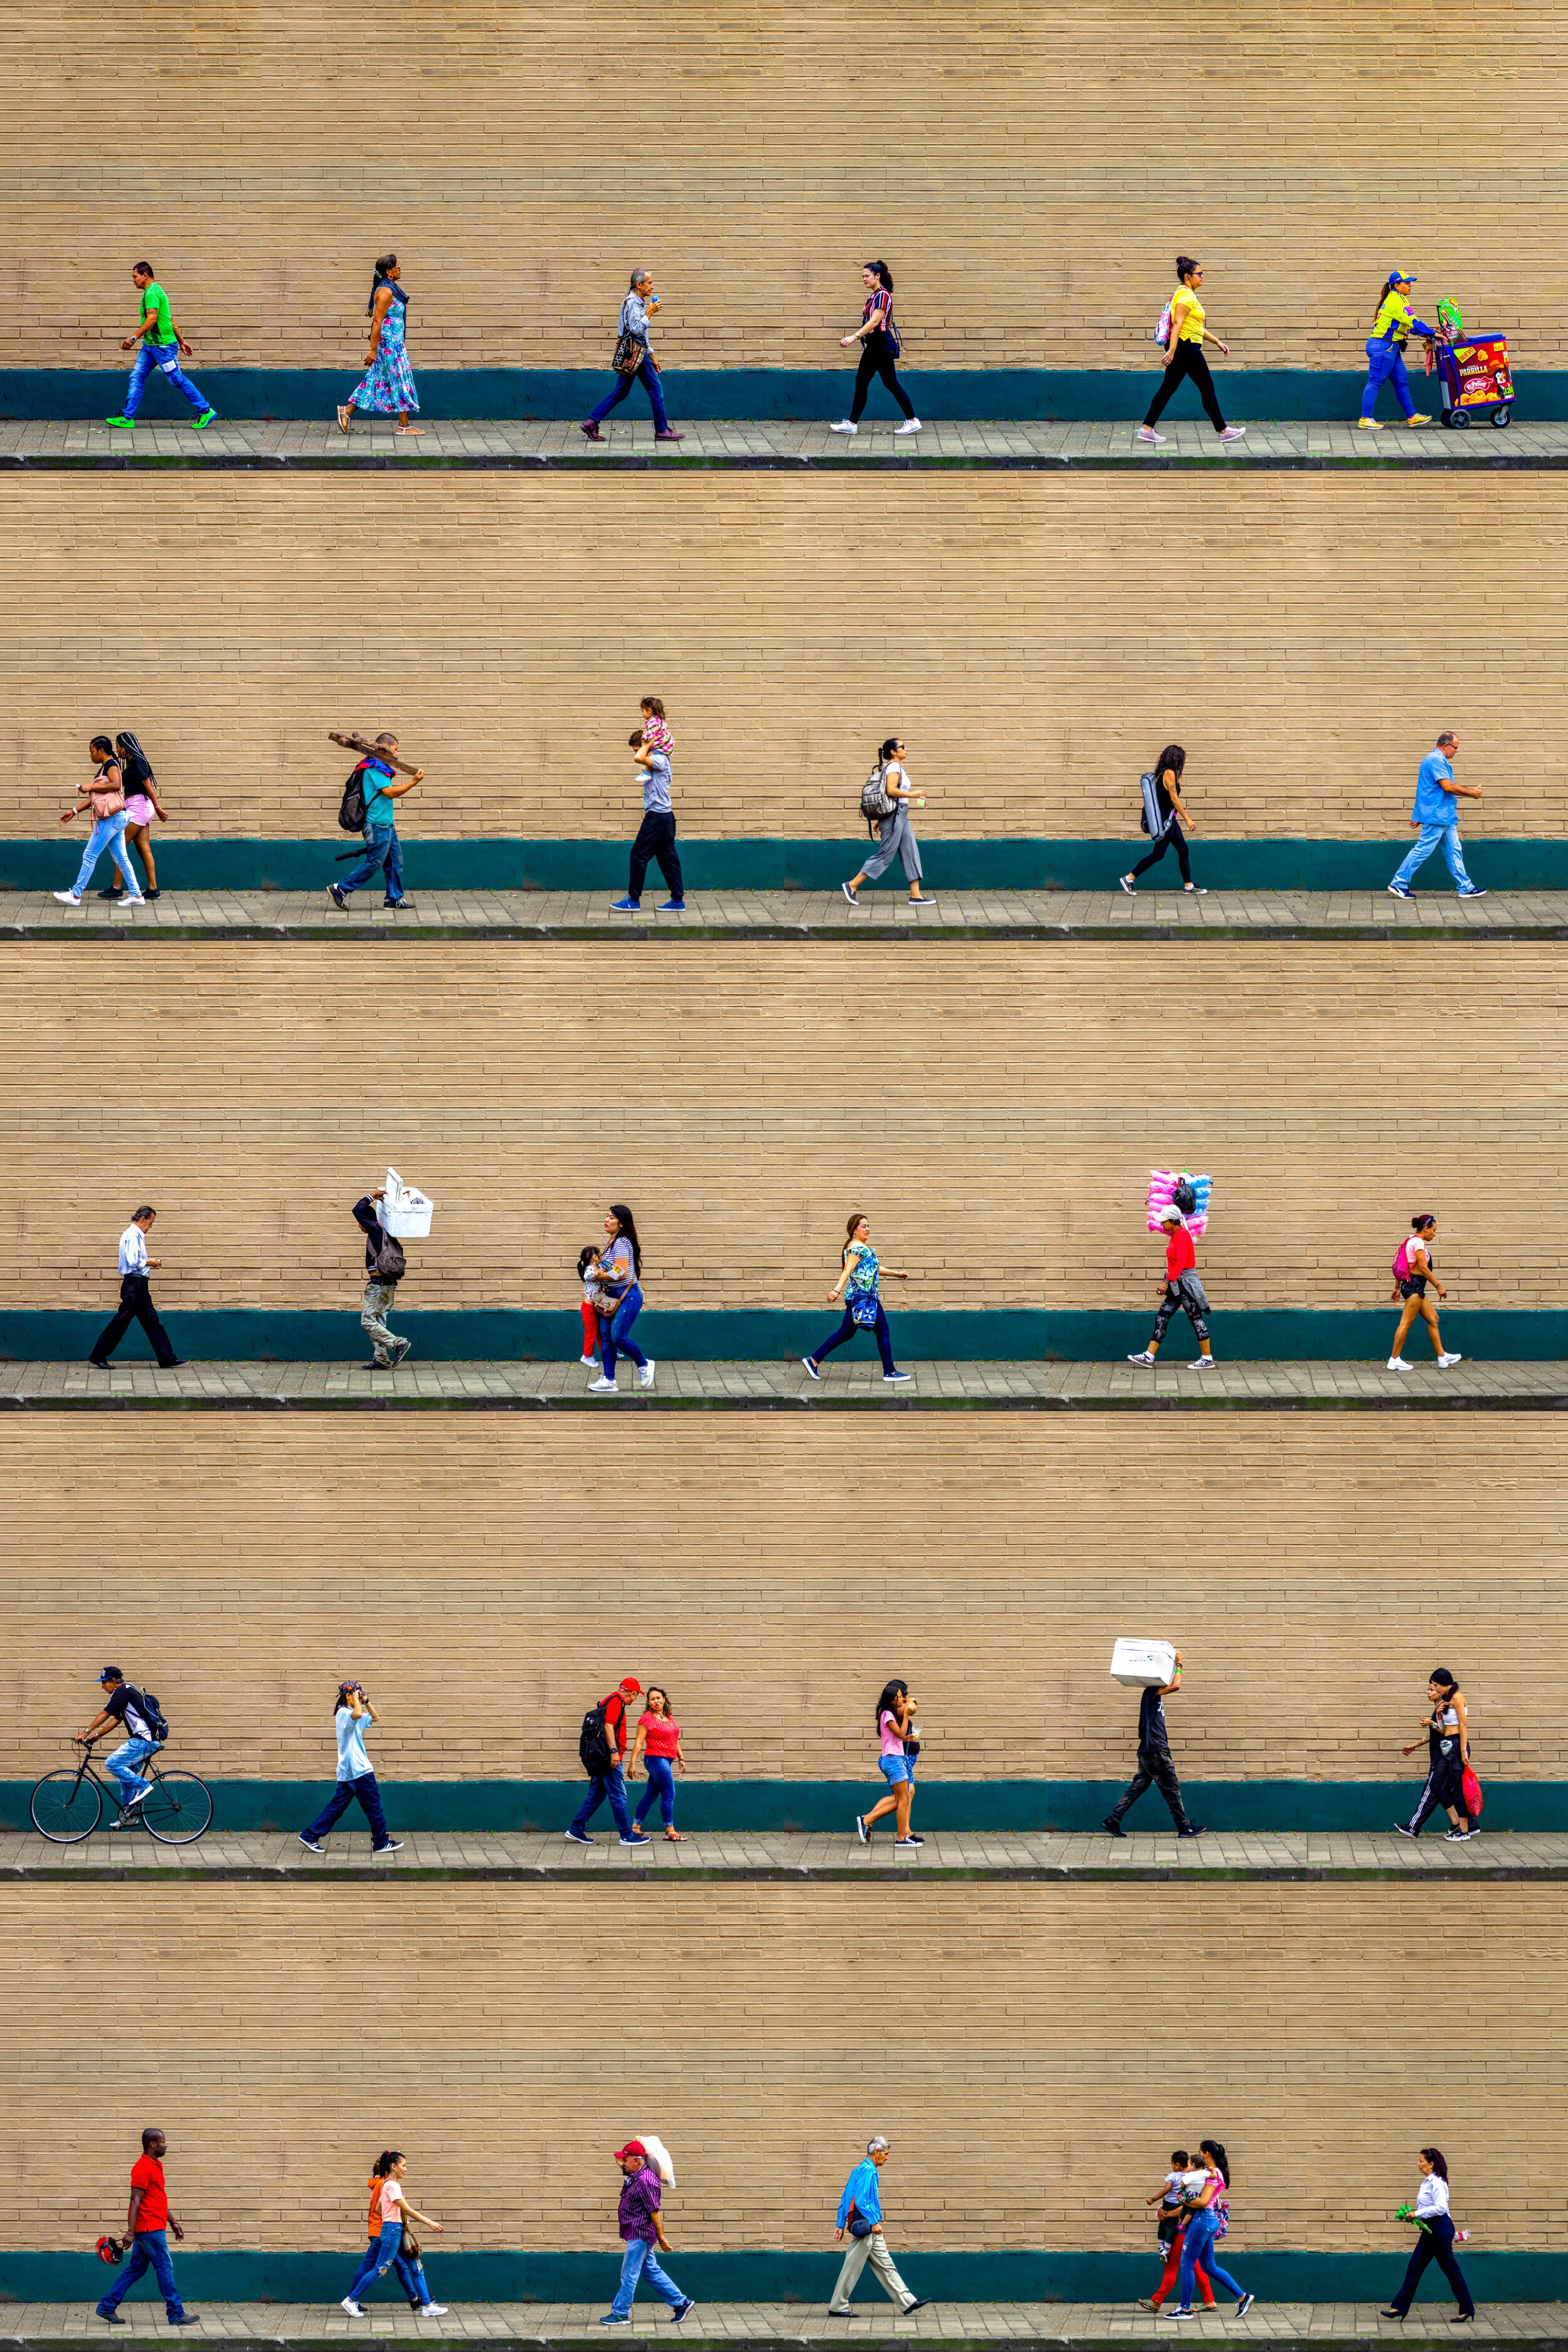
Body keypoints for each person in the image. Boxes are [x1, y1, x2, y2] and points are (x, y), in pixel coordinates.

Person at [94, 2129, 201, 2326]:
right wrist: (130, 2231)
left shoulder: (156, 2165)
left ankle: (107, 2307)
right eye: (163, 2141)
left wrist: (173, 2222)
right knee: (164, 2267)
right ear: (153, 2144)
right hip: (150, 2229)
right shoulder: (143, 2167)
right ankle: (176, 2313)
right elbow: (135, 2200)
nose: (166, 2145)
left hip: (152, 2227)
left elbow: (157, 2199)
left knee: (136, 2269)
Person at [1137, 258, 1247, 447]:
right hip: (1185, 347)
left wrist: (1217, 342)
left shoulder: (1186, 294)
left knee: (1167, 389)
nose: (1203, 276)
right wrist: (1172, 351)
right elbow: (1177, 323)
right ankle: (1223, 431)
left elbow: (1195, 327)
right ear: (1188, 277)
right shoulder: (1186, 295)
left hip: (1184, 345)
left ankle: (1146, 429)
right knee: (1207, 387)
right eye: (1199, 273)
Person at [802, 1213, 914, 1385]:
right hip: (863, 1298)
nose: (868, 1229)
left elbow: (873, 1268)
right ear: (854, 1230)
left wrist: (896, 1274)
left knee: (845, 1333)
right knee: (883, 1331)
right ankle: (890, 1372)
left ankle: (813, 1360)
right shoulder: (856, 1247)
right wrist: (837, 1289)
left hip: (860, 1297)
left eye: (868, 1226)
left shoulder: (861, 1247)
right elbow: (847, 1270)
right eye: (864, 1226)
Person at [1102, 1649, 1204, 1838]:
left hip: (1148, 1750)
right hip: (1156, 1751)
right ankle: (1184, 1827)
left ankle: (1112, 1820)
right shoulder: (1151, 1692)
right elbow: (1176, 1686)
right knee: (1172, 1788)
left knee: (1138, 1787)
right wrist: (1179, 1664)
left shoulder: (1153, 1694)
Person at [105, 263, 217, 432]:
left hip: (163, 347)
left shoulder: (152, 292)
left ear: (145, 275)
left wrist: (133, 337)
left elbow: (152, 320)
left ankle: (205, 411)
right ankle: (127, 417)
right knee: (136, 377)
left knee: (176, 379)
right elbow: (169, 319)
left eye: (135, 277)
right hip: (150, 346)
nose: (133, 280)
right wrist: (182, 341)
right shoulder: (156, 291)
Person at [298, 1680, 404, 1857]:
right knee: (374, 1807)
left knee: (336, 1807)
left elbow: (375, 1718)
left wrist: (366, 1701)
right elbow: (357, 1714)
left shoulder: (352, 1713)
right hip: (359, 1771)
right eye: (356, 1694)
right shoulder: (344, 1713)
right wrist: (356, 1700)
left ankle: (310, 1836)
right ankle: (381, 1843)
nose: (360, 1697)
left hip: (348, 1772)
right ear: (348, 1696)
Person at [580, 270, 684, 445]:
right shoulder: (632, 303)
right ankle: (662, 430)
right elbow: (636, 330)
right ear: (639, 285)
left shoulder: (638, 302)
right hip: (636, 353)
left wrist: (652, 357)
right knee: (656, 390)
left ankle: (591, 423)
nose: (653, 287)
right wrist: (650, 313)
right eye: (649, 283)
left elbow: (642, 335)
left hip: (636, 352)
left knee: (621, 392)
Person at [828, 2136, 929, 2316]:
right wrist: (874, 2222)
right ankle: (837, 2307)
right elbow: (860, 2200)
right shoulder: (868, 2171)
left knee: (886, 2265)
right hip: (867, 2227)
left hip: (870, 2228)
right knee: (851, 2268)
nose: (887, 2158)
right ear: (877, 2152)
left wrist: (840, 2224)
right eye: (886, 2154)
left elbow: (846, 2198)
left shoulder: (859, 2170)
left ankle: (907, 2302)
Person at [601, 2140, 694, 2324]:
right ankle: (681, 2303)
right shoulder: (637, 2175)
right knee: (651, 2271)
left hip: (641, 2234)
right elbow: (624, 2163)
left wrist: (662, 2239)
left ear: (636, 2160)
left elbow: (655, 2212)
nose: (623, 2163)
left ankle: (620, 2313)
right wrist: (636, 2146)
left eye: (626, 2160)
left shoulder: (646, 2181)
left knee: (629, 2274)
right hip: (637, 2232)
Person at [342, 2151, 446, 2316]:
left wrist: (391, 2213)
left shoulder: (386, 2185)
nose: (405, 2169)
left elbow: (378, 2208)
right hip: (393, 2231)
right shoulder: (392, 2185)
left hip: (394, 2230)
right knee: (381, 2269)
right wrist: (430, 2222)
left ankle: (427, 2306)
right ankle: (350, 2300)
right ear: (393, 2166)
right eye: (403, 2166)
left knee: (416, 2267)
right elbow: (406, 2209)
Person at [329, 734, 423, 911]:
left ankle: (394, 899)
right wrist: (413, 783)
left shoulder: (378, 766)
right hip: (377, 825)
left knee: (395, 862)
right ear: (385, 747)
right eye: (395, 749)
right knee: (374, 863)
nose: (397, 754)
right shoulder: (375, 767)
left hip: (386, 824)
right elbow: (390, 793)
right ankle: (340, 889)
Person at [1388, 733, 1486, 901]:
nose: (1456, 751)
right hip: (1437, 816)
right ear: (1447, 746)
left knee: (1454, 850)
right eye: (1455, 748)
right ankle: (1399, 883)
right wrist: (1471, 793)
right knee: (1423, 849)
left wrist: (1419, 815)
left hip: (1443, 816)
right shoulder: (1436, 760)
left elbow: (1427, 790)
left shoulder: (1436, 760)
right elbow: (1447, 786)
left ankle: (1465, 887)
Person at [1381, 2149, 1475, 2324]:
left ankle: (1467, 2308)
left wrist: (1417, 2213)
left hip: (1438, 2229)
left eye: (1421, 2161)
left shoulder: (1437, 2182)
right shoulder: (1427, 2182)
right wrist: (1417, 2215)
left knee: (1450, 2269)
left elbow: (1441, 2208)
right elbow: (1438, 2208)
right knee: (1414, 2267)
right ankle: (1400, 2307)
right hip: (1432, 2229)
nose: (1418, 2164)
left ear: (1431, 2164)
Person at [830, 261, 920, 437]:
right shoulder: (874, 296)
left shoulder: (882, 295)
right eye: (863, 276)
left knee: (878, 382)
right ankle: (853, 424)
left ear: (877, 276)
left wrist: (854, 337)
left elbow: (875, 321)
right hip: (875, 344)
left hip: (880, 343)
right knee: (872, 382)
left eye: (867, 276)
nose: (864, 279)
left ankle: (912, 421)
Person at [842, 737, 935, 906]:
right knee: (886, 854)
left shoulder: (894, 767)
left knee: (910, 851)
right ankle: (852, 885)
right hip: (896, 815)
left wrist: (882, 818)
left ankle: (916, 895)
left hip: (899, 814)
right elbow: (891, 791)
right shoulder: (893, 767)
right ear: (893, 752)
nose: (906, 749)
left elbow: (887, 796)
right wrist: (913, 794)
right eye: (902, 747)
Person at [53, 736, 144, 907]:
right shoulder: (105, 768)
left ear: (101, 750)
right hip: (117, 818)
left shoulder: (111, 765)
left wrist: (91, 787)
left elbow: (116, 785)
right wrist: (74, 811)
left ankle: (75, 895)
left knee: (90, 855)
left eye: (92, 751)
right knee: (122, 858)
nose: (91, 755)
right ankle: (137, 895)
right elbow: (95, 799)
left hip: (111, 818)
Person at [88, 1206, 182, 1370]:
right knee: (121, 1322)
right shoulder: (132, 1235)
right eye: (150, 1223)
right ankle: (98, 1354)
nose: (150, 1227)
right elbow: (133, 1262)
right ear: (143, 1219)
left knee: (152, 1321)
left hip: (139, 1286)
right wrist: (150, 1262)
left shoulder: (135, 1235)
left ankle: (167, 1358)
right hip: (135, 1286)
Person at [337, 256, 422, 436]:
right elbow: (377, 320)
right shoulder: (385, 292)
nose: (400, 269)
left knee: (377, 380)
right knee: (400, 380)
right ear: (389, 272)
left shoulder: (390, 289)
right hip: (389, 345)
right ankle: (404, 426)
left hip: (395, 344)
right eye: (398, 267)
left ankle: (347, 411)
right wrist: (373, 350)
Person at [565, 1675, 651, 1846]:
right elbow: (608, 1726)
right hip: (609, 1759)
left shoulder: (610, 1700)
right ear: (633, 1694)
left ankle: (575, 1829)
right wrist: (614, 1752)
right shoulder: (616, 1702)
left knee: (596, 1796)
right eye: (636, 1696)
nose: (635, 1700)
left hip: (602, 1758)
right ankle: (626, 1835)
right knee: (619, 1795)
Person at [1126, 1206, 1214, 1371]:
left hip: (1186, 1284)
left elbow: (1181, 1263)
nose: (1162, 1224)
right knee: (1162, 1317)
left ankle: (1207, 1359)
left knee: (1196, 1319)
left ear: (1173, 1221)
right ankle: (1148, 1357)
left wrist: (1166, 1281)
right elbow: (1175, 1265)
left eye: (1164, 1221)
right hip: (1176, 1283)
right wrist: (1169, 1281)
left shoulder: (1182, 1235)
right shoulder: (1175, 1235)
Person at [1172, 2142, 1253, 2319]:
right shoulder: (1210, 2173)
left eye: (1200, 2152)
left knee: (1186, 2265)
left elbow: (1202, 2201)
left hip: (1202, 2219)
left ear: (1207, 2154)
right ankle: (1243, 2297)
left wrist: (1182, 2199)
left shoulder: (1213, 2174)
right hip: (1206, 2221)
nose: (1198, 2155)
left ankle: (1185, 2310)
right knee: (1209, 2266)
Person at [75, 1667, 162, 1828]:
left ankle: (144, 1786)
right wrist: (97, 1736)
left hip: (143, 1741)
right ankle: (129, 1816)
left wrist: (85, 1732)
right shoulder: (128, 1692)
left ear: (113, 1681)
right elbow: (116, 1719)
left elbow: (105, 1714)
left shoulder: (121, 1691)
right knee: (126, 1779)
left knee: (112, 1763)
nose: (103, 1687)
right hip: (147, 1741)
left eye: (104, 1682)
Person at [1397, 1668, 1476, 1843]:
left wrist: (1463, 1750)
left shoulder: (1457, 1697)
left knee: (1455, 1789)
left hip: (1456, 1745)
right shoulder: (1446, 1700)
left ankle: (1465, 1830)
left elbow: (1463, 1725)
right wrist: (1439, 1715)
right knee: (1437, 1784)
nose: (1434, 1689)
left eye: (1435, 1685)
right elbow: (1443, 1729)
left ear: (1444, 1683)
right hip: (1448, 1746)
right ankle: (1460, 1824)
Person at [610, 730, 685, 914]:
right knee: (668, 859)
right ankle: (677, 901)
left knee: (638, 856)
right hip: (664, 818)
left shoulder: (659, 759)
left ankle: (633, 900)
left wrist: (648, 742)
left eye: (638, 749)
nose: (637, 753)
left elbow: (638, 757)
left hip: (657, 818)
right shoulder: (656, 761)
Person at [1359, 270, 1441, 431]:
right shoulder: (1397, 300)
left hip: (1390, 347)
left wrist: (1429, 333)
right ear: (1397, 286)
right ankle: (1365, 419)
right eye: (1407, 283)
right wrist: (1433, 333)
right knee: (1375, 382)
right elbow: (1413, 320)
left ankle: (1412, 416)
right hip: (1384, 346)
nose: (1410, 286)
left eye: (1410, 283)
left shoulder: (1396, 299)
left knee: (1401, 380)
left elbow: (1409, 325)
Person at [587, 1205, 655, 1393]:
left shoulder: (622, 1243)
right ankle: (609, 1380)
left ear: (622, 1224)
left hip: (628, 1296)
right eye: (607, 1216)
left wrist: (598, 1276)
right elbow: (613, 1268)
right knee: (606, 1338)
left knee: (618, 1337)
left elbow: (621, 1273)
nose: (607, 1220)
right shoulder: (611, 1241)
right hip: (609, 1297)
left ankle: (645, 1365)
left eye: (612, 1217)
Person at [1119, 746, 1204, 895]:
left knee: (1183, 849)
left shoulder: (1161, 773)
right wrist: (1188, 819)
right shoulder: (1169, 773)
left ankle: (1189, 886)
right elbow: (1174, 799)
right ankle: (1129, 878)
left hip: (1170, 819)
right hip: (1166, 820)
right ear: (1175, 759)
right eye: (1180, 759)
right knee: (1158, 854)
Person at [1138, 2154, 1216, 2313]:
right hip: (1187, 2229)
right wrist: (1162, 2209)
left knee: (1171, 2266)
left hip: (1182, 2231)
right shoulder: (1194, 2179)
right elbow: (1174, 2201)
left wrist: (1166, 2214)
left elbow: (1185, 2205)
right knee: (1195, 2265)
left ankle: (1157, 2301)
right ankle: (1209, 2300)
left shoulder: (1192, 2181)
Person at [97, 733, 168, 901]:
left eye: (118, 747)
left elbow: (148, 785)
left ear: (125, 747)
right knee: (144, 849)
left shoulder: (137, 761)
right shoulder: (133, 762)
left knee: (119, 847)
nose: (118, 750)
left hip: (138, 807)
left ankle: (116, 888)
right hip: (139, 807)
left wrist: (158, 807)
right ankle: (153, 889)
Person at [1388, 1214, 1462, 1371]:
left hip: (1414, 1287)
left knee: (1433, 1319)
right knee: (1406, 1323)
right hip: (1414, 1287)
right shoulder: (1418, 1242)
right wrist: (1438, 1286)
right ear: (1426, 1228)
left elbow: (1402, 1265)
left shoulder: (1410, 1240)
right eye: (1434, 1230)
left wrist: (1397, 1287)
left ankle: (1442, 1357)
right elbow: (1423, 1268)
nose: (1434, 1234)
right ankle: (1394, 1359)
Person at [854, 1679, 923, 1848]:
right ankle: (901, 1837)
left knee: (901, 1799)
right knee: (903, 1799)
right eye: (900, 1697)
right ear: (892, 1700)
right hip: (893, 1761)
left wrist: (907, 1738)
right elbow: (900, 1733)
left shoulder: (888, 1713)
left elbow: (897, 1738)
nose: (903, 1699)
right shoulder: (888, 1714)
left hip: (895, 1759)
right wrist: (906, 1715)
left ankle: (873, 1823)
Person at [352, 1186, 413, 1369]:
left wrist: (371, 1196)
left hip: (379, 1286)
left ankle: (399, 1343)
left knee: (367, 1321)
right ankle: (381, 1359)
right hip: (387, 1286)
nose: (359, 1226)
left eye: (360, 1223)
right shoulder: (384, 1233)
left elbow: (357, 1210)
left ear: (368, 1221)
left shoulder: (376, 1231)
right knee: (378, 1322)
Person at [628, 1686, 687, 1841]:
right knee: (669, 1793)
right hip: (655, 1759)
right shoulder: (646, 1719)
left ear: (664, 1699)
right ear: (648, 1702)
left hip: (667, 1760)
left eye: (658, 1698)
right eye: (652, 1699)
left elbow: (674, 1738)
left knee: (651, 1795)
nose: (656, 1701)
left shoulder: (669, 1716)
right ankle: (670, 1831)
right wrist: (632, 1763)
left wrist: (681, 1757)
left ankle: (635, 1828)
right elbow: (639, 1742)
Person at [578, 1244, 607, 1368]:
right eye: (600, 1255)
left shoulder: (597, 1267)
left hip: (594, 1307)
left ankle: (608, 1352)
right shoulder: (590, 1269)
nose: (601, 1257)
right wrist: (597, 1274)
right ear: (595, 1257)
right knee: (591, 1332)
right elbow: (587, 1276)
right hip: (588, 1308)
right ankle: (587, 1356)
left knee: (600, 1332)